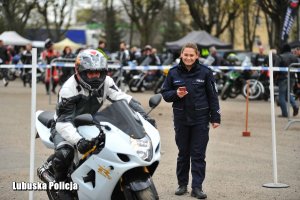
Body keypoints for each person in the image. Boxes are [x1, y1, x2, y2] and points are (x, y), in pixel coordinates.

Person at [50, 49, 156, 199]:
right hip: (65, 125)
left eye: (98, 72)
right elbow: (63, 121)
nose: (95, 76)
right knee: (65, 153)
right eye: (90, 72)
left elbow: (122, 98)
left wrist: (143, 116)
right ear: (79, 71)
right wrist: (78, 141)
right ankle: (61, 186)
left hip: (90, 121)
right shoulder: (69, 89)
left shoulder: (106, 82)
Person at [161, 43, 221, 199]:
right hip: (181, 119)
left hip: (200, 119)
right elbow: (165, 94)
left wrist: (215, 117)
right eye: (185, 55)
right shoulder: (173, 73)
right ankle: (182, 185)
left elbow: (213, 96)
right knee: (183, 153)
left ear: (197, 56)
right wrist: (176, 94)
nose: (188, 58)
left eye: (191, 55)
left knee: (198, 154)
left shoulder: (206, 73)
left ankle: (197, 188)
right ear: (181, 55)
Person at [274, 43, 299, 117]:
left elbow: (275, 68)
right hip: (292, 78)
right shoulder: (295, 57)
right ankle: (295, 105)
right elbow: (298, 68)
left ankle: (284, 113)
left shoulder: (280, 57)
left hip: (282, 78)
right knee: (288, 93)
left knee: (281, 95)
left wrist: (274, 78)